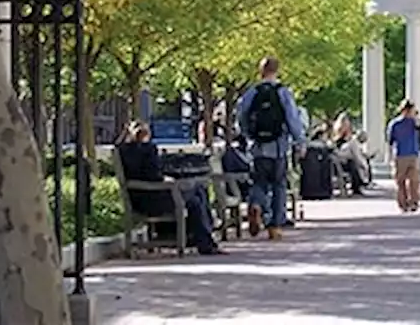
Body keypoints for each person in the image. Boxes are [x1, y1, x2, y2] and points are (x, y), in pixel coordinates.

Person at [116, 121, 225, 255]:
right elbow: (153, 176)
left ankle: (204, 240)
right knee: (198, 191)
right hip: (155, 200)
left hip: (137, 200)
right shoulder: (148, 149)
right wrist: (166, 179)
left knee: (195, 200)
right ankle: (206, 240)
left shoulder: (122, 151)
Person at [237, 55, 306, 240]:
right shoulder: (283, 92)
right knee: (279, 185)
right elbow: (292, 119)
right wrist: (300, 141)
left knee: (259, 182)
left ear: (260, 71)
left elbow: (241, 117)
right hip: (279, 147)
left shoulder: (252, 93)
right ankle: (274, 226)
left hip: (257, 148)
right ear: (277, 70)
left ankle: (256, 205)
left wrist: (248, 135)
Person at [386, 99, 420, 213]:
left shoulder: (415, 123)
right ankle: (403, 204)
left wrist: (418, 122)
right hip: (400, 154)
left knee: (414, 181)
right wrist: (390, 156)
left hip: (413, 154)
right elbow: (390, 141)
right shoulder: (395, 124)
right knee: (400, 181)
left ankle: (414, 202)